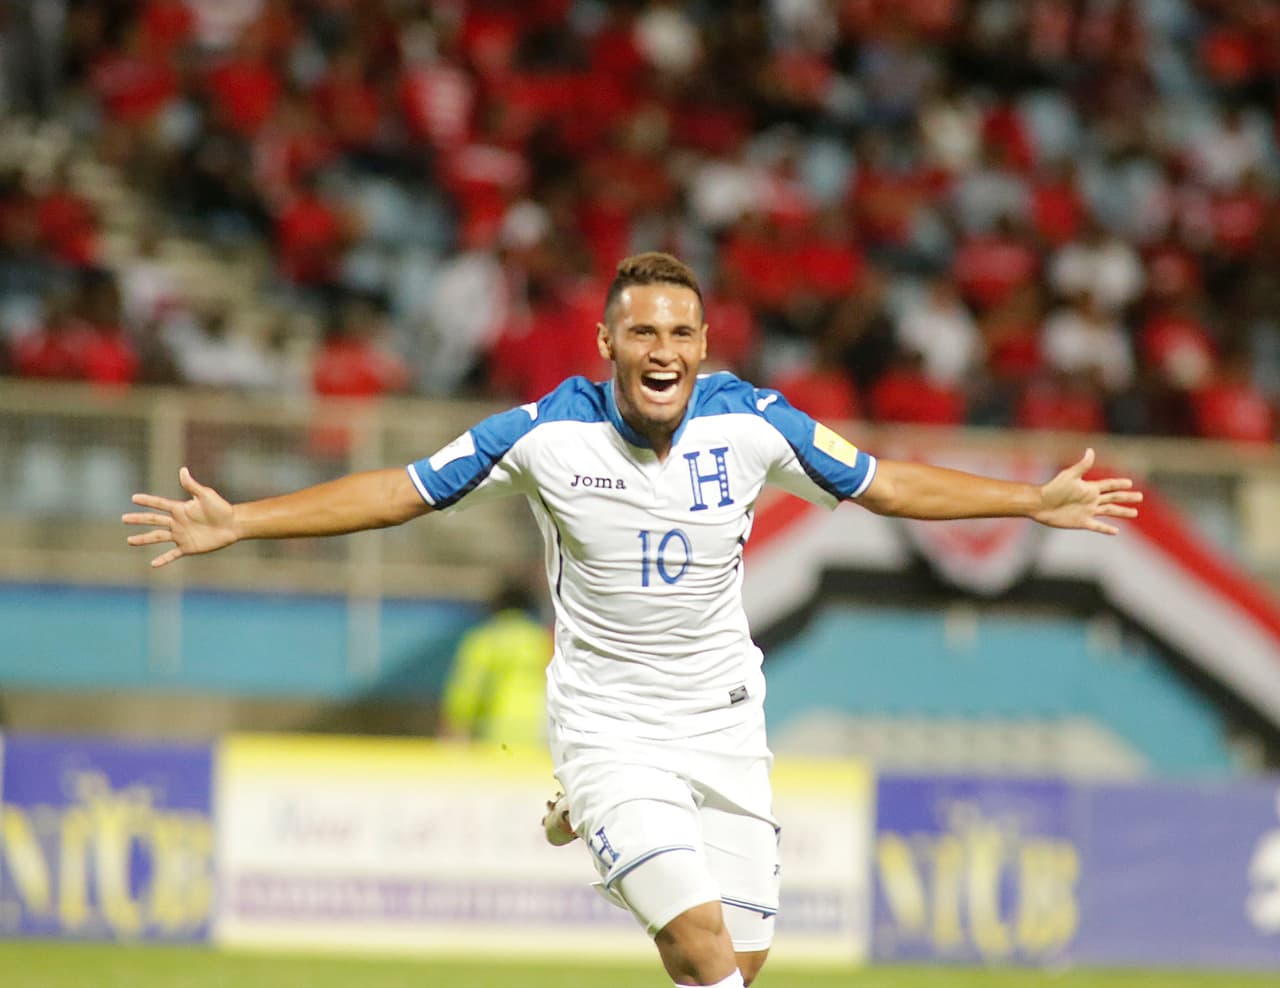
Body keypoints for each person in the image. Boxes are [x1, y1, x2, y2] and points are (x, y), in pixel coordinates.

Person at [124, 252, 1142, 988]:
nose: (663, 351)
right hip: (608, 726)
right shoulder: (542, 433)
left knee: (726, 963)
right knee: (701, 940)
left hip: (723, 722)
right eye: (643, 332)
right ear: (607, 343)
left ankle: (604, 834)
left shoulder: (754, 421)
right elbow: (401, 490)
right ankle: (603, 803)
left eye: (681, 334)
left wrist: (1027, 500)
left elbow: (884, 482)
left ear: (703, 346)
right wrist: (241, 520)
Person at [439, 576, 553, 745]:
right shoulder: (540, 638)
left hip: (500, 728)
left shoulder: (487, 639)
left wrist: (455, 726)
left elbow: (468, 689)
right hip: (541, 729)